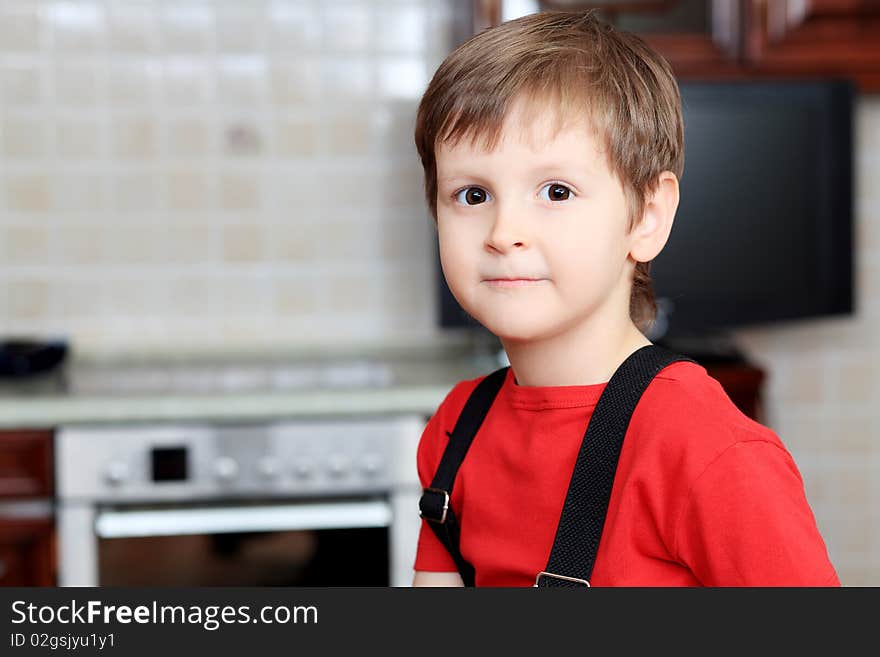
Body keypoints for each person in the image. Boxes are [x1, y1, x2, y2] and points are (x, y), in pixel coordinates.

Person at [410, 9, 839, 587]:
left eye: (556, 191)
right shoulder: (456, 427)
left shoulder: (709, 451)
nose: (502, 231)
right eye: (472, 193)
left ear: (647, 216)